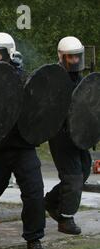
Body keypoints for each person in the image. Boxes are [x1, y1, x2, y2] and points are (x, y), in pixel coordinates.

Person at [0, 33, 46, 249]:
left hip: (22, 145)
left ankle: (34, 239)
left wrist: (18, 77)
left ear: (8, 53)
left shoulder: (23, 78)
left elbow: (36, 109)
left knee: (34, 191)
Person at [44, 36, 91, 235]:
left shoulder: (80, 79)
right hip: (61, 135)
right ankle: (65, 218)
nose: (73, 61)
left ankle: (51, 201)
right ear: (62, 57)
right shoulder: (53, 78)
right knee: (73, 177)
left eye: (76, 57)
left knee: (85, 171)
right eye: (70, 57)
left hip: (79, 135)